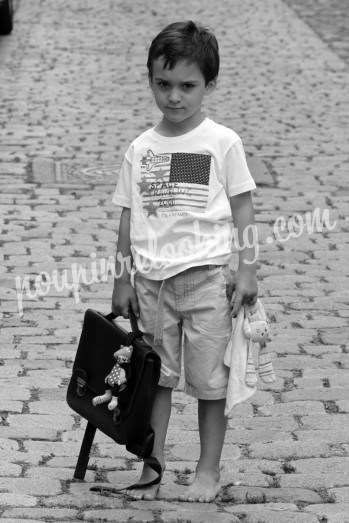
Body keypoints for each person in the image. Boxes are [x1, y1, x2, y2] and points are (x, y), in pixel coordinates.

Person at [111, 20, 258, 502]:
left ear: (209, 85)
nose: (174, 97)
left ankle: (207, 471)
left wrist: (248, 269)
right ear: (151, 80)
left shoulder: (222, 143)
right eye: (163, 84)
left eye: (187, 86)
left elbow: (242, 209)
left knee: (210, 382)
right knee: (157, 381)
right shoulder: (141, 148)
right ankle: (152, 469)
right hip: (152, 285)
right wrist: (122, 279)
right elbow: (128, 218)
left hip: (207, 281)